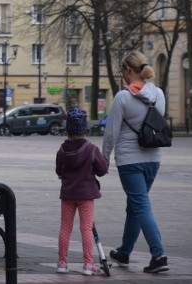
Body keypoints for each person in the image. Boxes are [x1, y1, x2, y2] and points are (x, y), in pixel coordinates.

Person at [102, 51, 169, 274]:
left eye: (122, 71)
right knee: (136, 205)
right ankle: (124, 251)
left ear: (128, 71)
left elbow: (111, 134)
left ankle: (158, 255)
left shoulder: (122, 97)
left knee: (140, 205)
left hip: (130, 160)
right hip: (153, 158)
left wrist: (103, 160)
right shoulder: (159, 94)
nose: (122, 75)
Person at [56, 107, 108, 276]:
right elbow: (101, 170)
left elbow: (58, 171)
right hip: (86, 196)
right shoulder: (91, 149)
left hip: (68, 195)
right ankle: (88, 264)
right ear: (84, 129)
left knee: (65, 228)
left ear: (68, 129)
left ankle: (62, 262)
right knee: (86, 229)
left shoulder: (62, 150)